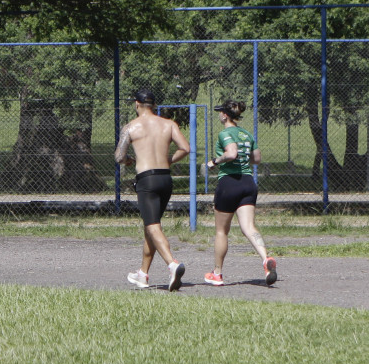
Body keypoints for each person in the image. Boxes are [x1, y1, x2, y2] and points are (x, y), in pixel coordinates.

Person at [115, 89, 190, 291]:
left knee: (152, 225)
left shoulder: (130, 127)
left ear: (136, 104)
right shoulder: (169, 124)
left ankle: (172, 264)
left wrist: (130, 160)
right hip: (165, 179)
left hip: (147, 180)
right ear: (154, 105)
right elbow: (185, 148)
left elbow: (119, 156)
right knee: (151, 226)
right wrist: (168, 160)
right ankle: (142, 274)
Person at [205, 99, 276, 286]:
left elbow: (231, 153)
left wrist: (214, 162)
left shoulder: (225, 133)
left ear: (225, 115)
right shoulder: (246, 134)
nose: (219, 114)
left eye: (220, 112)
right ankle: (265, 259)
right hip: (248, 183)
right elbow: (257, 158)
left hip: (230, 182)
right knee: (249, 227)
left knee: (221, 231)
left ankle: (217, 274)